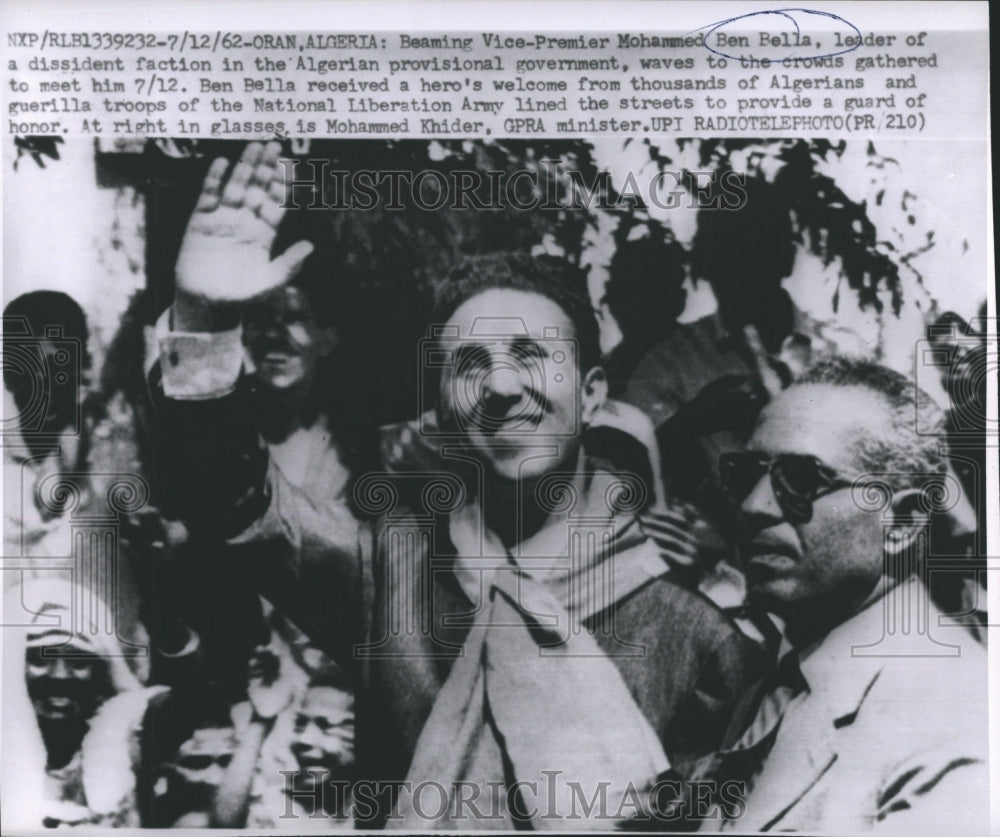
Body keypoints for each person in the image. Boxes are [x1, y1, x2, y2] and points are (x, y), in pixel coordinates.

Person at [151, 141, 765, 829]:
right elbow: (240, 503)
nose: (502, 385)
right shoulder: (393, 573)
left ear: (592, 395)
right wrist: (203, 327)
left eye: (532, 356)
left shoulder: (697, 635)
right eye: (471, 364)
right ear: (443, 405)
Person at [694, 357, 989, 833]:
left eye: (803, 480)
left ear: (904, 523)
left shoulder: (952, 714)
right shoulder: (780, 680)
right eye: (746, 473)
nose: (754, 505)